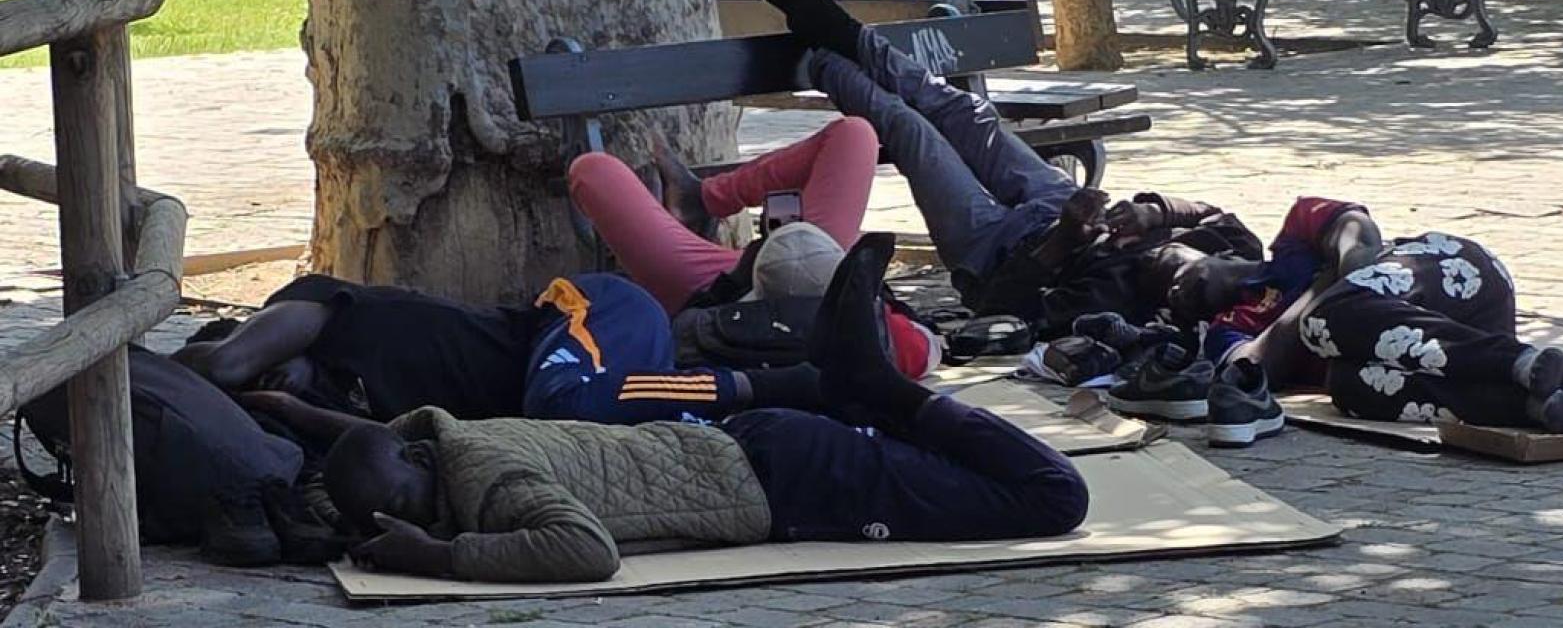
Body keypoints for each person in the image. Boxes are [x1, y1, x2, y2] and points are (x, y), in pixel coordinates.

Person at [322, 235, 1090, 583]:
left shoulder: (488, 481)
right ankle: (868, 390)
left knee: (1054, 497)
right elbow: (367, 455)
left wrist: (440, 557)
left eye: (401, 506)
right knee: (971, 475)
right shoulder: (451, 440)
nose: (401, 520)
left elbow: (586, 552)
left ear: (422, 459)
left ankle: (877, 387)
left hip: (786, 481)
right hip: (765, 456)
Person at [747, 0, 1260, 340]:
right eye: (1186, 273)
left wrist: (1062, 242)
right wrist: (1154, 212)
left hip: (991, 248)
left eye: (1175, 295)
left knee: (915, 134)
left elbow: (999, 309)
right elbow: (1206, 212)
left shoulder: (1115, 303)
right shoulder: (1235, 244)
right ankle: (829, 23)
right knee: (967, 112)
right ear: (1222, 260)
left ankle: (817, 59)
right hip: (1054, 202)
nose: (1171, 281)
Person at [1160, 196, 1563, 443]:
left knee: (1323, 321)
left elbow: (1360, 243)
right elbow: (1258, 369)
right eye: (1170, 297)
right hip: (1442, 359)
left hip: (1457, 277)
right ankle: (1537, 405)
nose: (1175, 289)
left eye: (1175, 267)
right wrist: (1330, 281)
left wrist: (1333, 291)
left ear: (1218, 252)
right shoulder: (1227, 330)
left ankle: (1520, 361)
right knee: (1348, 385)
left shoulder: (1296, 229)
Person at [184, 272, 826, 437]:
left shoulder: (322, 304)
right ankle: (812, 393)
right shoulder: (330, 406)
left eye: (265, 365)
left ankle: (778, 381)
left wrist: (225, 367)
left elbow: (227, 365)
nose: (271, 376)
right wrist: (286, 404)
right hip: (591, 390)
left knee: (562, 403)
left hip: (600, 312)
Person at [568, 130, 941, 378]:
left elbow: (929, 345)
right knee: (856, 134)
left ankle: (706, 198)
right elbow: (929, 345)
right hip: (816, 264)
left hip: (713, 289)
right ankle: (701, 198)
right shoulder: (876, 340)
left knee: (592, 169)